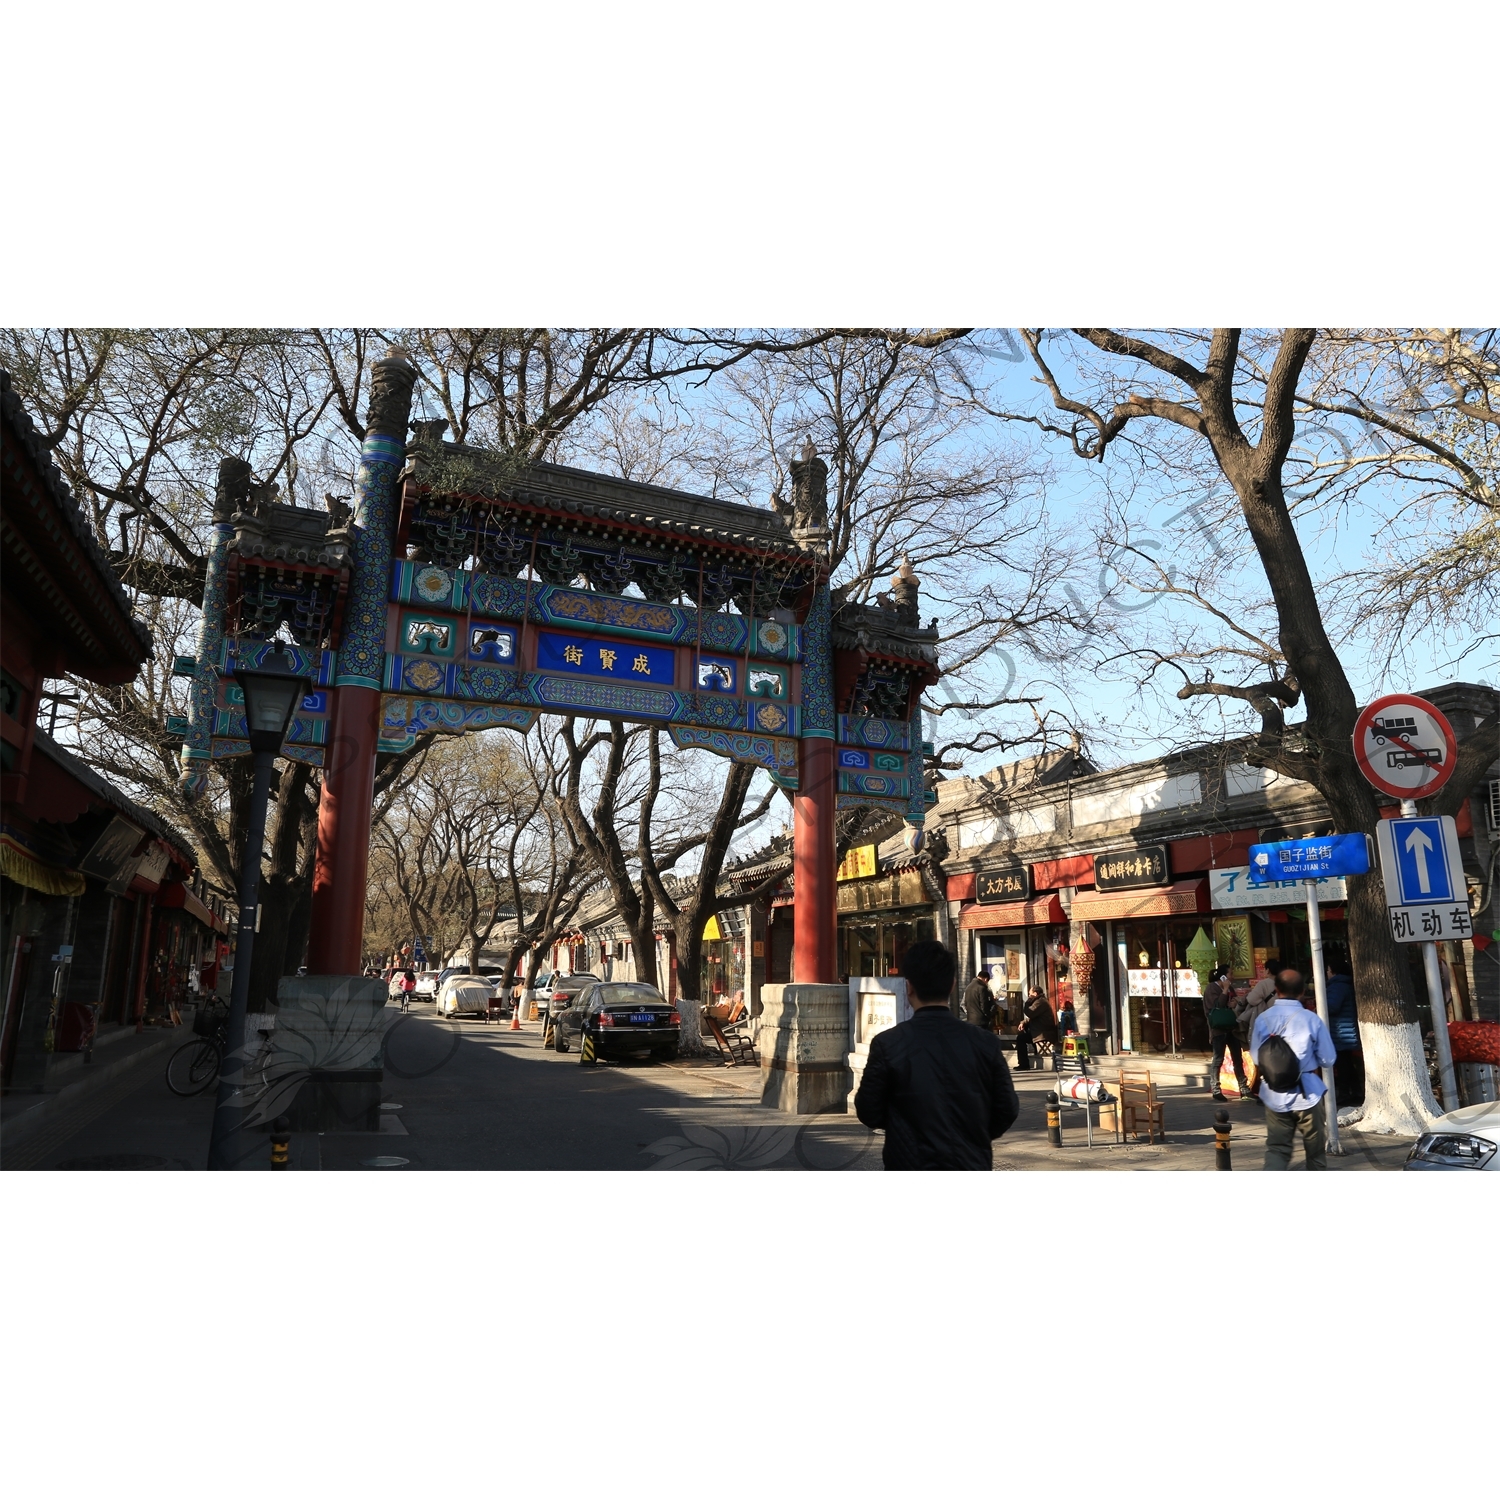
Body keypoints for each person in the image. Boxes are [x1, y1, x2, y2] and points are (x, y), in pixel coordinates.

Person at [855, 940, 1020, 1170]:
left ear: (909, 987)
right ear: (952, 985)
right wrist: (975, 1134)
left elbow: (868, 1110)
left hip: (908, 1162)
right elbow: (1007, 1109)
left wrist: (901, 1127)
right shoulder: (985, 1043)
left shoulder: (888, 1044)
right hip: (971, 1162)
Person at [1248, 968, 1337, 1171]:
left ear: (1276, 989)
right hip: (1308, 1094)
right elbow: (1328, 1059)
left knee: (1277, 1149)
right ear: (1302, 991)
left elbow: (1255, 1056)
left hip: (1274, 1093)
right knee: (1315, 1153)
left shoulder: (1263, 1019)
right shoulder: (1311, 1019)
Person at [1202, 965, 1251, 1103]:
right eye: (1230, 973)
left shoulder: (1230, 987)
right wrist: (1224, 990)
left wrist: (1235, 1001)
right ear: (1223, 975)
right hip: (1218, 1029)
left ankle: (1244, 1088)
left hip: (1231, 1027)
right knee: (1218, 1059)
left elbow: (1233, 1003)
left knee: (1238, 1058)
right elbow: (1216, 1006)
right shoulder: (1212, 988)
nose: (1232, 976)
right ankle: (1216, 1089)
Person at [1324, 959, 1364, 1106]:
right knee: (1347, 1063)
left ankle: (1346, 1093)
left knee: (1343, 1064)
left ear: (1334, 972)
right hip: (1346, 1030)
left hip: (1340, 1031)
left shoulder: (1337, 987)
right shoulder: (1345, 985)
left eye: (1328, 970)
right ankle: (1356, 1092)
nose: (1327, 973)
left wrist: (1320, 1003)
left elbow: (1332, 1006)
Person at [1017, 984, 1058, 1069]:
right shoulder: (1040, 1001)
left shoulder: (1040, 1002)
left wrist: (1027, 1002)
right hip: (1039, 1030)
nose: (1029, 996)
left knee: (1020, 1039)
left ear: (1035, 994)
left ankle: (1024, 1064)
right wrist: (1023, 1022)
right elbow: (1033, 1016)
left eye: (1030, 994)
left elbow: (1030, 1013)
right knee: (1024, 1033)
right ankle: (1025, 1061)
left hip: (1043, 1032)